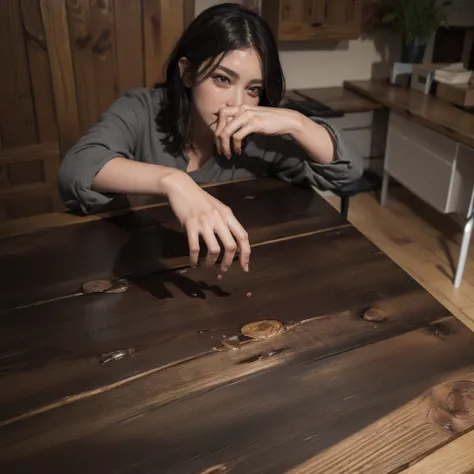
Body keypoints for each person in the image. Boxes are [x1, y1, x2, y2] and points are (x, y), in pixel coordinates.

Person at [58, 2, 363, 274]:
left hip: (230, 279)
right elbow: (77, 167)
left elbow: (347, 172)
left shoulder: (259, 136)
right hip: (130, 272)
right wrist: (173, 182)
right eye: (222, 79)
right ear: (188, 73)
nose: (237, 103)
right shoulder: (144, 109)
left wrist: (298, 122)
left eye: (253, 89)